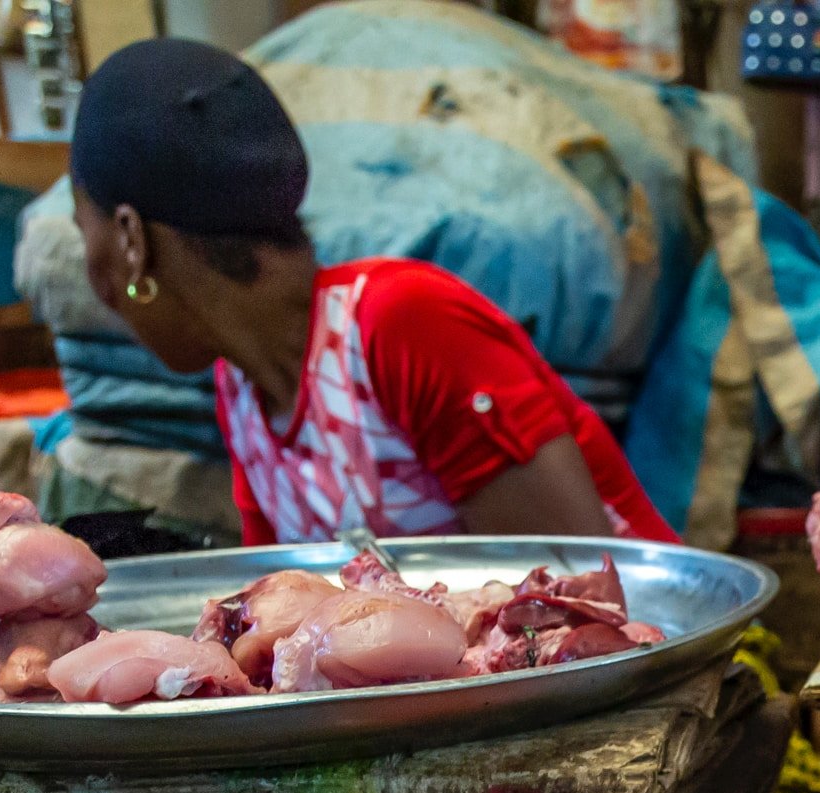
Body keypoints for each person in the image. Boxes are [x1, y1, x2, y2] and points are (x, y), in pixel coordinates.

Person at [65, 39, 675, 547]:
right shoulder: (243, 390)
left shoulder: (403, 323)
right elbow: (277, 604)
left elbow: (574, 597)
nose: (92, 273)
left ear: (131, 240)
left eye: (81, 228)